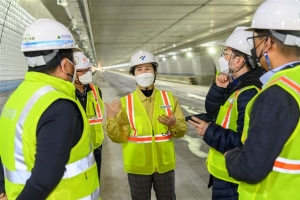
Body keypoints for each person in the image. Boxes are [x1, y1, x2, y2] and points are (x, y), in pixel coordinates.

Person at [0, 19, 100, 199]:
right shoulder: (59, 107)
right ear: (64, 65)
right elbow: (44, 180)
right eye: (72, 61)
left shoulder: (16, 98)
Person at [224, 0, 300, 199]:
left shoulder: (277, 95)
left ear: (268, 42)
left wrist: (231, 157)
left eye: (255, 39)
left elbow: (250, 168)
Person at [188, 27, 263, 200]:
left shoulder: (248, 92)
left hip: (233, 178)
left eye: (226, 53)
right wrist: (218, 88)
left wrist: (210, 131)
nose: (222, 57)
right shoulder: (234, 85)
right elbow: (213, 111)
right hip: (224, 173)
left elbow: (246, 143)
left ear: (239, 60)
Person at [105, 50, 187, 200]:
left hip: (164, 165)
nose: (144, 73)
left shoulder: (169, 98)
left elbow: (182, 130)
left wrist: (174, 124)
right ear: (134, 74)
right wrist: (111, 119)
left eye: (148, 68)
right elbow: (119, 138)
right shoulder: (125, 103)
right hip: (138, 166)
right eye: (139, 69)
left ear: (155, 71)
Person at [74, 51, 105, 179]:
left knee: (95, 182)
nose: (86, 73)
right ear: (73, 73)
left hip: (96, 147)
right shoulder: (65, 93)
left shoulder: (96, 91)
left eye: (88, 70)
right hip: (76, 151)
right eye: (82, 71)